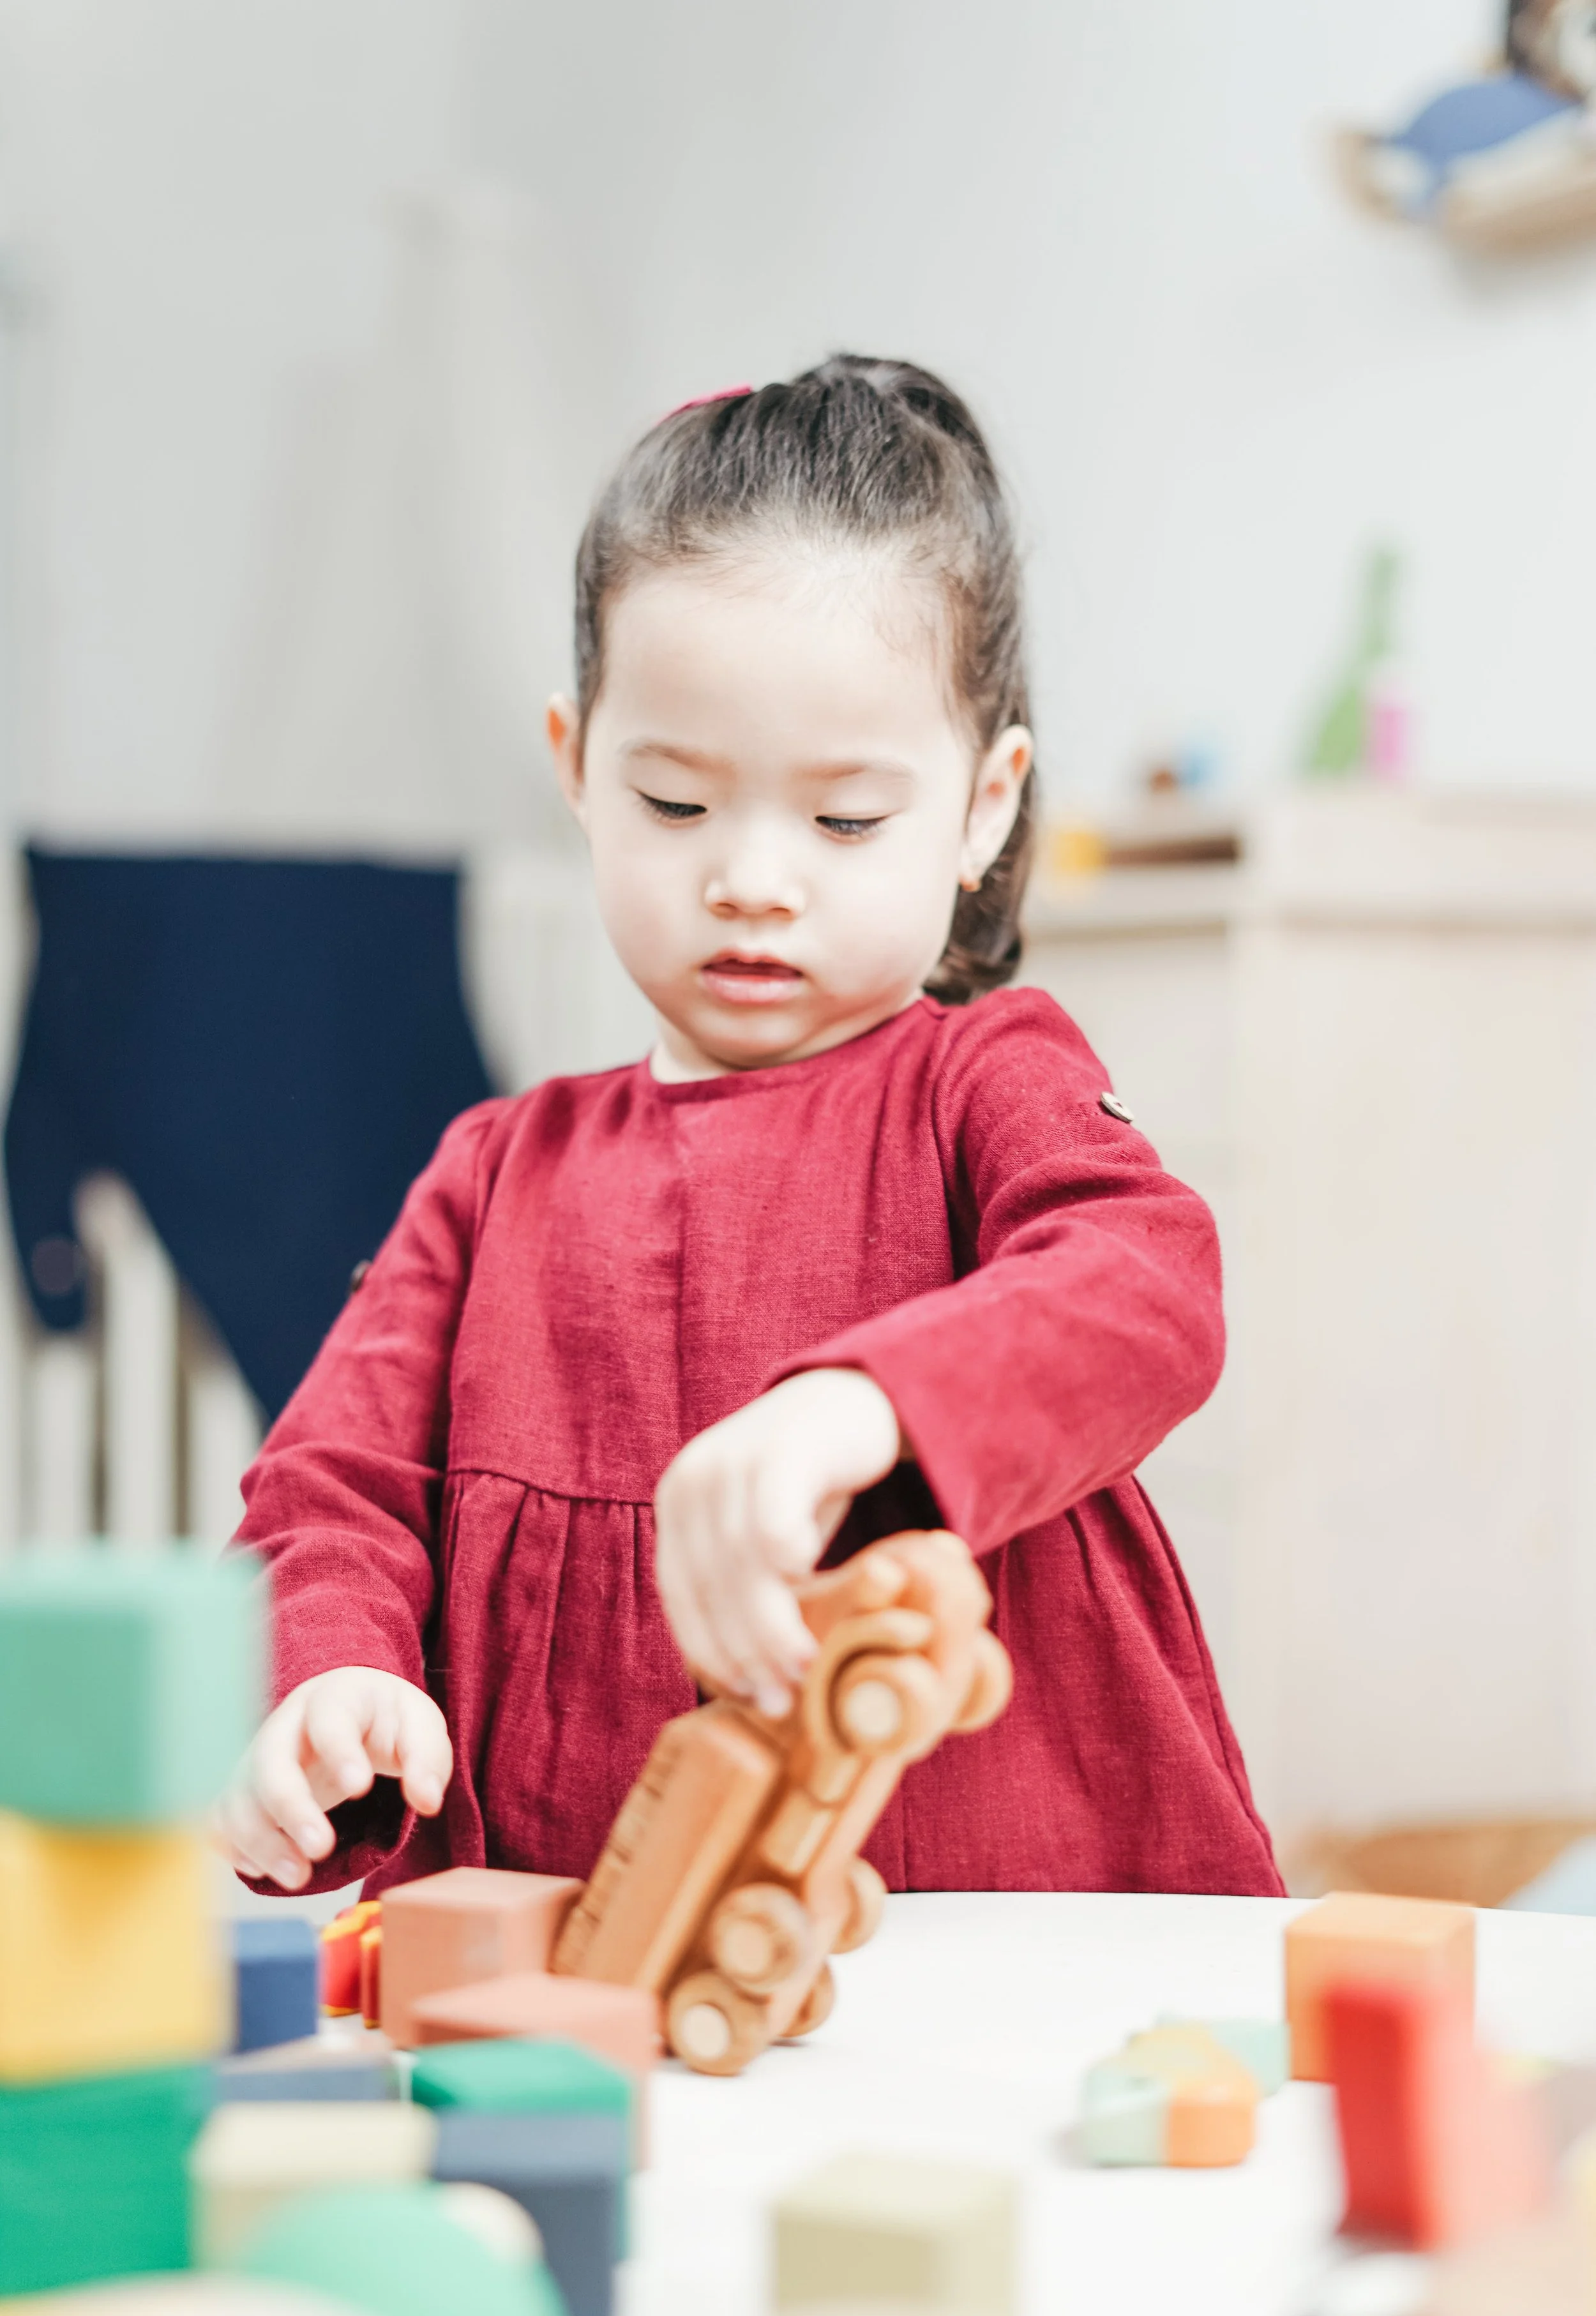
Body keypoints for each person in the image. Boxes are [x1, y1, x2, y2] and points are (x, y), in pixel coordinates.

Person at [215, 357, 1281, 1901]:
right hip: (587, 1983)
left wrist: (868, 1411)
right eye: (674, 804)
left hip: (992, 1945)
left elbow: (1145, 1285)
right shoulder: (492, 1171)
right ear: (577, 767)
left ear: (982, 808)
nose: (753, 880)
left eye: (845, 819)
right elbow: (329, 1487)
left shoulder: (985, 1077)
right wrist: (328, 1688)